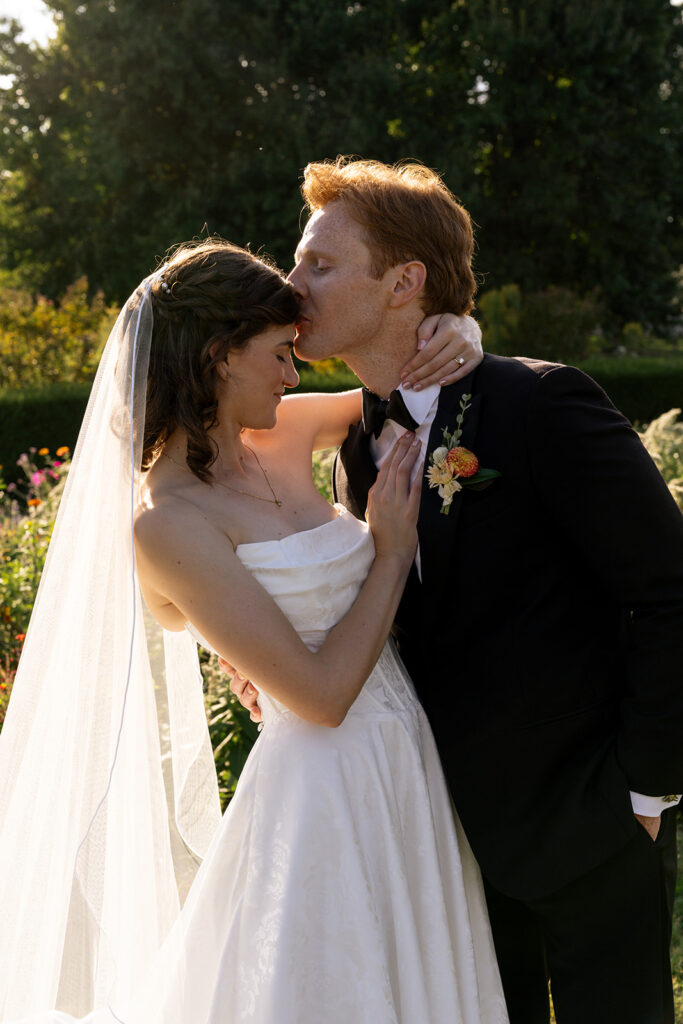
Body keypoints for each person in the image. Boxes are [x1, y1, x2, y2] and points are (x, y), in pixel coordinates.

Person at [0, 237, 509, 1024]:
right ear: (217, 358)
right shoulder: (168, 524)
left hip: (404, 758)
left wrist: (462, 334)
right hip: (321, 793)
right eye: (278, 354)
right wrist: (390, 551)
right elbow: (320, 696)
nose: (294, 373)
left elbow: (419, 394)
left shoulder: (285, 430)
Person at [232, 157, 683, 1024]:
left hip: (588, 823)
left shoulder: (540, 405)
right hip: (443, 849)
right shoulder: (355, 444)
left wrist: (642, 788)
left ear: (405, 282)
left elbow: (667, 591)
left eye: (319, 264)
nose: (291, 287)